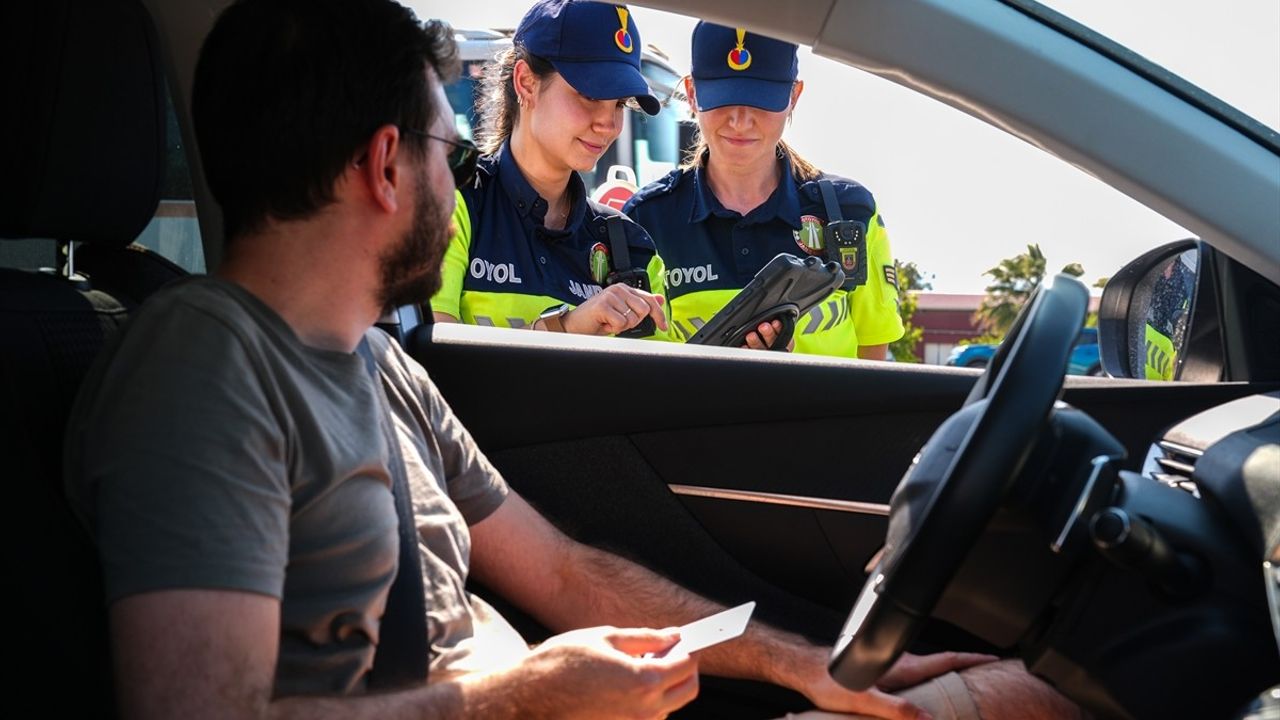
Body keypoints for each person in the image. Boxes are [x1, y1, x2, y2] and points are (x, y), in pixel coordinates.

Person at [62, 0, 1087, 718]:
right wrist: (528, 699)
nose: (457, 184)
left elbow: (558, 570)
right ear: (385, 166)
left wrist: (807, 665)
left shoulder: (377, 366)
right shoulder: (204, 368)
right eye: (439, 148)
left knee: (1036, 693)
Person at [623, 22, 904, 357]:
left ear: (794, 96)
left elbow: (873, 360)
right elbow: (644, 373)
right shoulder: (645, 220)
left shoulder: (850, 213)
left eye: (760, 100)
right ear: (693, 94)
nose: (741, 121)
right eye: (723, 99)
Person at [430, 0, 671, 340]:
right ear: (526, 82)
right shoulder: (451, 202)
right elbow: (430, 367)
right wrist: (566, 328)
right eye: (588, 94)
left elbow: (661, 388)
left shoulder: (634, 248)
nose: (608, 124)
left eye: (619, 103)